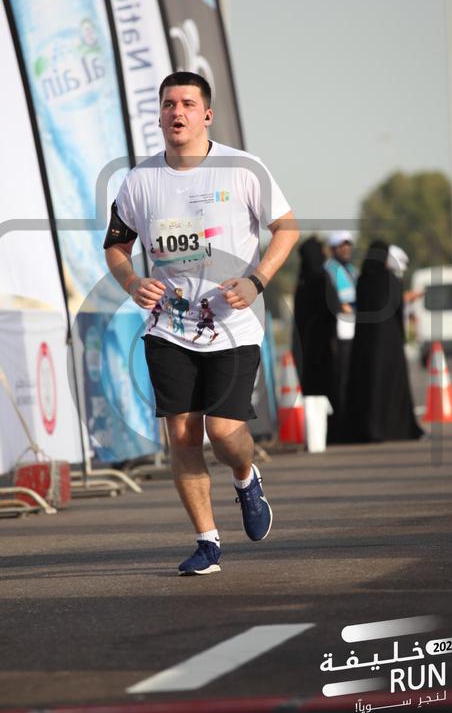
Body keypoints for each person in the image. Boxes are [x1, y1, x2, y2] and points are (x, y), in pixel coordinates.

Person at [104, 71, 299, 575]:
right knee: (183, 435)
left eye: (188, 103)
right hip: (168, 328)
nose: (177, 112)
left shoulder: (242, 168)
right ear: (159, 115)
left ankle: (245, 476)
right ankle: (207, 542)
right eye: (169, 104)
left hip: (233, 325)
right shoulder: (140, 180)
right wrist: (132, 282)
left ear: (206, 114)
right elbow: (117, 246)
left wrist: (256, 281)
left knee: (224, 431)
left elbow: (286, 228)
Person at [345, 240, 423, 443]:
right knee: (391, 386)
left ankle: (368, 428)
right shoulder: (392, 281)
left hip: (364, 343)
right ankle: (393, 428)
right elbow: (399, 311)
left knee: (368, 385)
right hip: (390, 344)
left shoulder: (362, 281)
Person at [292, 237, 340, 450]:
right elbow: (333, 308)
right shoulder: (321, 277)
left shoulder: (302, 280)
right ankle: (330, 432)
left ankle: (314, 436)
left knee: (310, 390)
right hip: (323, 343)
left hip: (305, 345)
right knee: (327, 386)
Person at [324, 230, 358, 438]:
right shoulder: (329, 269)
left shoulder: (352, 269)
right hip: (339, 328)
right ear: (333, 248)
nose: (345, 249)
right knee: (341, 374)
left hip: (354, 326)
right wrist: (341, 306)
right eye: (341, 245)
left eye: (348, 245)